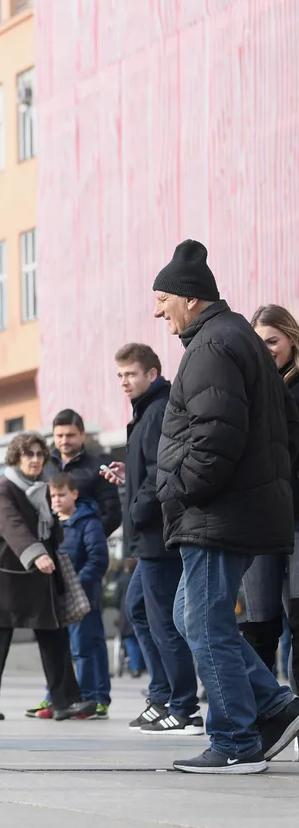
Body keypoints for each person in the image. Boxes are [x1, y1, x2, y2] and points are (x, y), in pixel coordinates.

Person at [148, 239, 299, 773]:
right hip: (229, 508)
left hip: (216, 513)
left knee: (205, 623)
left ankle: (236, 743)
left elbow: (216, 436)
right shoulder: (233, 338)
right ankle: (275, 704)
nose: (157, 310)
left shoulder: (213, 346)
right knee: (188, 615)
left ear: (190, 298)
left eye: (162, 298)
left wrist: (181, 489)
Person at [103, 342, 203, 734]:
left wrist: (134, 509)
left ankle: (183, 707)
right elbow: (146, 471)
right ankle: (162, 694)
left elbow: (161, 472)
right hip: (148, 534)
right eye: (120, 375)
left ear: (152, 373)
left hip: (159, 536)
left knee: (163, 620)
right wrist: (127, 482)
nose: (125, 382)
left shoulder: (159, 410)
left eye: (131, 374)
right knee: (139, 611)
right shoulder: (145, 412)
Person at [0, 432, 95, 722]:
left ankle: (65, 701)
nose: (36, 460)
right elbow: (11, 524)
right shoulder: (5, 489)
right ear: (16, 458)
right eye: (29, 454)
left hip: (39, 579)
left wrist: (56, 528)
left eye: (40, 455)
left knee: (54, 638)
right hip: (5, 578)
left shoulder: (41, 489)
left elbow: (50, 529)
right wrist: (36, 553)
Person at [237, 304, 299, 681]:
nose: (266, 349)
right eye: (259, 343)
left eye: (272, 341)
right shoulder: (252, 389)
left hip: (295, 521)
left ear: (291, 339)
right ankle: (263, 718)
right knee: (258, 628)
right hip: (259, 524)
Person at [48, 473, 111, 719]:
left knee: (86, 647)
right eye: (53, 495)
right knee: (60, 648)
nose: (56, 500)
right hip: (56, 599)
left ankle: (93, 697)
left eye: (61, 494)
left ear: (74, 494)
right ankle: (59, 696)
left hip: (84, 598)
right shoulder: (51, 524)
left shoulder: (88, 522)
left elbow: (98, 560)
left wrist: (75, 584)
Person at [49, 409, 122, 537]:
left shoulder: (98, 468)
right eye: (59, 436)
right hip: (49, 551)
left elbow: (112, 514)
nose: (64, 440)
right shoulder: (44, 467)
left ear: (82, 435)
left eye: (70, 435)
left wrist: (89, 539)